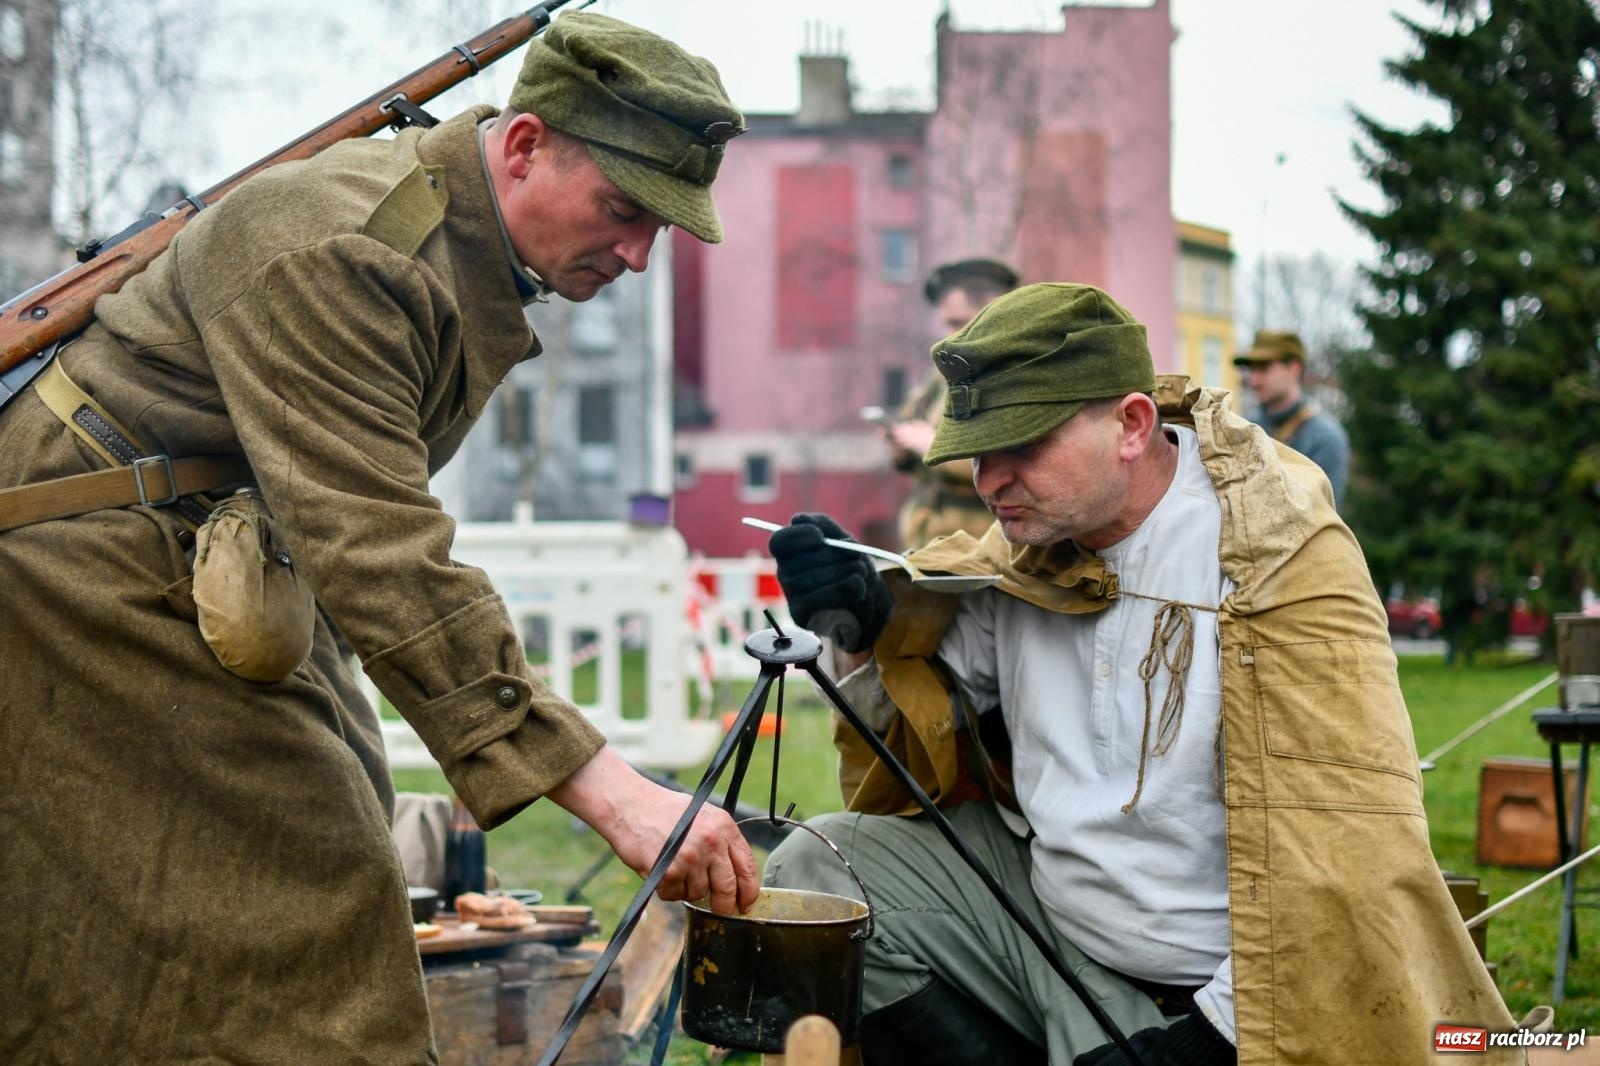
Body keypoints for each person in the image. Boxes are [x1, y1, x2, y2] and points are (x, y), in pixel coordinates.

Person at [0, 13, 757, 1062]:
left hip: (205, 561)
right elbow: (379, 544)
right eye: (624, 209)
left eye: (661, 226)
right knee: (305, 916)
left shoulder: (455, 243)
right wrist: (611, 792)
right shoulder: (349, 249)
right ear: (527, 146)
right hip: (89, 566)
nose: (636, 252)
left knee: (317, 862)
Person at [763, 283, 1515, 1064]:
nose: (990, 482)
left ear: (1130, 424)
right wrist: (862, 624)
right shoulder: (1026, 549)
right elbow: (927, 714)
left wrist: (1205, 1040)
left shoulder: (1273, 563)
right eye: (981, 453)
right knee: (823, 868)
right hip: (1045, 927)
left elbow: (1354, 856)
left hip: (1225, 995)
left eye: (1022, 446)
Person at [888, 257, 1018, 550]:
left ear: (993, 315)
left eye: (960, 323)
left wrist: (930, 445)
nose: (952, 335)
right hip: (932, 539)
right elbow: (913, 419)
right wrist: (902, 447)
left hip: (980, 548)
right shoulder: (947, 371)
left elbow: (1006, 461)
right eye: (948, 323)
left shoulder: (1011, 376)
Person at [1231, 329, 1349, 508]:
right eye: (1251, 370)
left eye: (1263, 368)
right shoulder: (1245, 427)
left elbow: (1319, 517)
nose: (1253, 380)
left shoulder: (1325, 438)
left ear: (1294, 369)